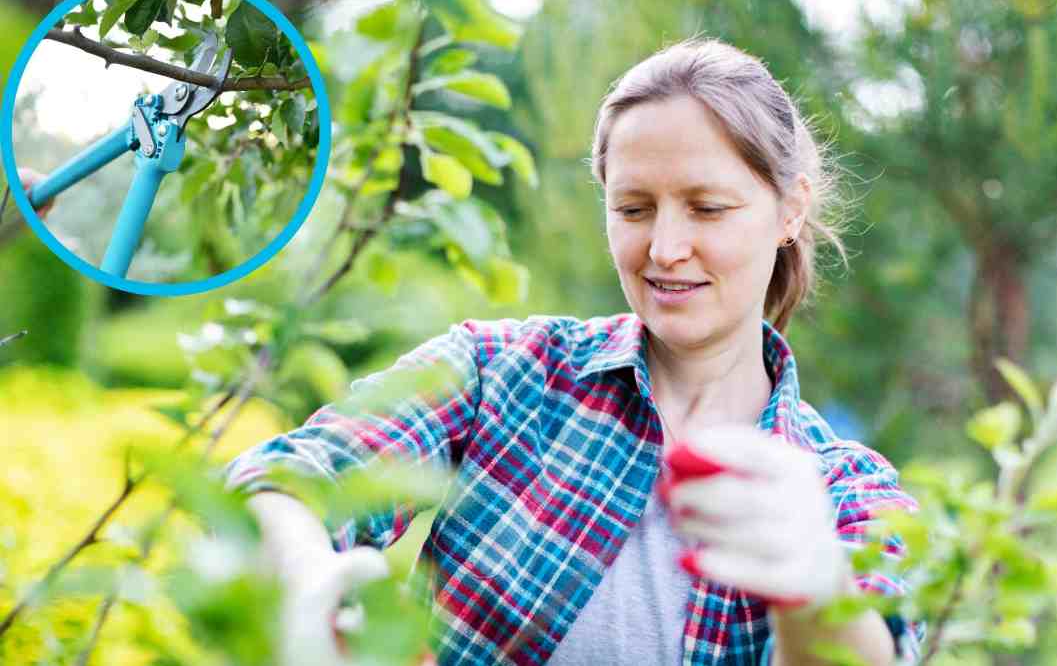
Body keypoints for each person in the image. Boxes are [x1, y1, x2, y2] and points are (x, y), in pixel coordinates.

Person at [225, 38, 923, 666]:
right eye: (633, 208)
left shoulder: (847, 491)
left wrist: (815, 583)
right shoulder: (503, 374)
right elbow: (284, 479)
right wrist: (309, 580)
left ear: (790, 209)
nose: (665, 248)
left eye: (708, 208)